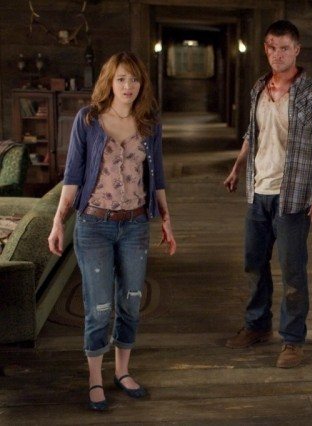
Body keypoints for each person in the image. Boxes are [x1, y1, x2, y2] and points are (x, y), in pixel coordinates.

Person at [47, 51, 177, 411]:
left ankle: (122, 371)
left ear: (141, 84)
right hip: (94, 226)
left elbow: (158, 178)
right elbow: (73, 176)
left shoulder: (149, 124)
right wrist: (58, 221)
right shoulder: (88, 120)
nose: (128, 86)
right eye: (121, 78)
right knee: (99, 307)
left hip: (135, 226)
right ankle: (95, 378)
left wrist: (166, 220)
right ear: (109, 81)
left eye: (134, 79)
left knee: (131, 300)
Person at [223, 20, 312, 368]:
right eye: (272, 47)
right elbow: (252, 133)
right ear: (266, 49)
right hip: (258, 192)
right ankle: (257, 326)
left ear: (297, 50)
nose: (278, 54)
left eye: (285, 48)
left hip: (293, 197)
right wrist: (237, 167)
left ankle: (292, 340)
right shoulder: (259, 88)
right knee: (254, 265)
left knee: (292, 272)